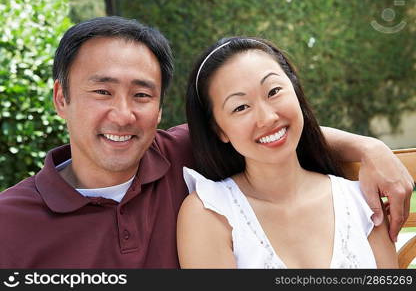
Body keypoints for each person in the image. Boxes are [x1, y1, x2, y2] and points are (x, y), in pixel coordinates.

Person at [0, 17, 412, 268]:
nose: (124, 115)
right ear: (61, 98)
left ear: (160, 109)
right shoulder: (10, 223)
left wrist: (370, 149)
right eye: (102, 92)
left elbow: (270, 133)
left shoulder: (180, 154)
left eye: (142, 95)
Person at [177, 37, 400, 268]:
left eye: (273, 91)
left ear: (295, 90)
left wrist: (371, 147)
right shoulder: (210, 212)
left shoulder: (361, 202)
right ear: (219, 130)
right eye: (241, 107)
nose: (268, 118)